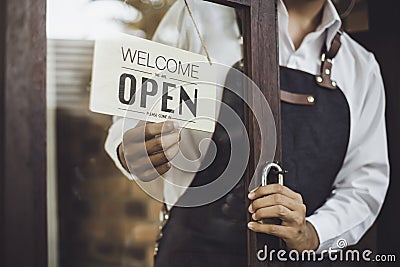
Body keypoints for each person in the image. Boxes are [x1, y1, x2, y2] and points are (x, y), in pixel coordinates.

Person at [104, 0, 390, 266]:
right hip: (192, 253)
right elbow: (133, 118)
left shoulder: (361, 67)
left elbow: (364, 185)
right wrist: (131, 148)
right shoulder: (199, 13)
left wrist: (313, 233)